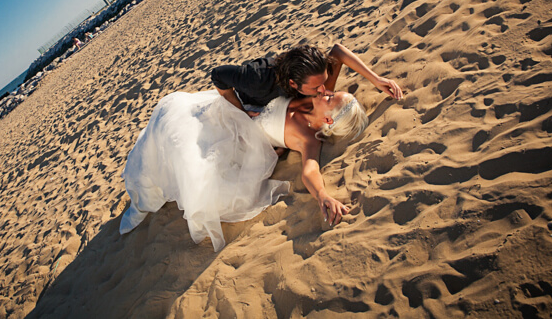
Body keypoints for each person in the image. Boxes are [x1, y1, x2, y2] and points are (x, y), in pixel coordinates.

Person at [119, 85, 372, 251]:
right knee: (174, 114)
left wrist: (323, 195)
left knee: (179, 145)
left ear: (327, 119)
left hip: (233, 141)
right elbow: (337, 53)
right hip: (229, 111)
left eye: (330, 97)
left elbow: (310, 170)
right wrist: (378, 81)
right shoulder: (313, 97)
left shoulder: (308, 138)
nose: (326, 91)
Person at [211, 44, 403, 116]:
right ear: (293, 84)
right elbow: (218, 74)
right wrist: (241, 113)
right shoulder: (256, 78)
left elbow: (338, 51)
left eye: (324, 82)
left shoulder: (316, 77)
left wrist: (376, 80)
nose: (325, 90)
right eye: (316, 87)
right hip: (250, 101)